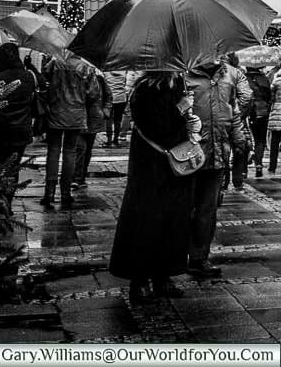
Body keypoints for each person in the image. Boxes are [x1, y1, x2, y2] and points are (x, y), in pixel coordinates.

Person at [109, 72, 200, 302]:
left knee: (172, 220)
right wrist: (180, 108)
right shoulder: (144, 90)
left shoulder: (178, 84)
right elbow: (154, 125)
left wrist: (191, 121)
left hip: (173, 168)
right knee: (146, 221)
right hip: (150, 168)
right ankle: (140, 279)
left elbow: (175, 125)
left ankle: (163, 275)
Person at [185, 57, 251, 277]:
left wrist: (239, 138)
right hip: (191, 153)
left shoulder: (229, 74)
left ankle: (199, 257)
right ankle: (176, 256)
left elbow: (233, 110)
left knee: (208, 209)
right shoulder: (184, 75)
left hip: (219, 152)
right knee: (184, 208)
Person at [0, 43, 38, 203]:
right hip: (21, 130)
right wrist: (30, 65)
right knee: (13, 168)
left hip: (0, 129)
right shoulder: (28, 76)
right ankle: (8, 202)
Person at [41, 54, 93, 209]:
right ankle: (65, 193)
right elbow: (93, 92)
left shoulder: (55, 63)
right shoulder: (85, 67)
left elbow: (45, 81)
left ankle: (49, 193)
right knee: (70, 151)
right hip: (76, 115)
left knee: (53, 151)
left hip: (56, 111)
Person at [73, 68, 112, 191]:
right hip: (79, 118)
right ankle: (76, 178)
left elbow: (107, 95)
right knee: (80, 149)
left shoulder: (99, 77)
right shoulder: (75, 75)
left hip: (93, 118)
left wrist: (105, 110)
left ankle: (81, 176)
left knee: (87, 149)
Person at [226, 53, 253, 189]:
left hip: (224, 116)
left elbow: (246, 96)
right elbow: (247, 96)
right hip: (236, 117)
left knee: (222, 147)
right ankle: (238, 178)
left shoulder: (233, 74)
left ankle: (223, 181)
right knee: (239, 147)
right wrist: (239, 113)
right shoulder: (238, 73)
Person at [245, 64, 273, 178]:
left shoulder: (243, 78)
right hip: (263, 112)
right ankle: (259, 164)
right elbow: (269, 96)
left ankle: (244, 167)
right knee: (260, 140)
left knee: (246, 138)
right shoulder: (264, 79)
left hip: (248, 112)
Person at [104, 71, 132, 147]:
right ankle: (115, 140)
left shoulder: (106, 72)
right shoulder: (124, 72)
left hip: (110, 97)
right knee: (118, 120)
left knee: (108, 120)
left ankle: (109, 140)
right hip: (121, 98)